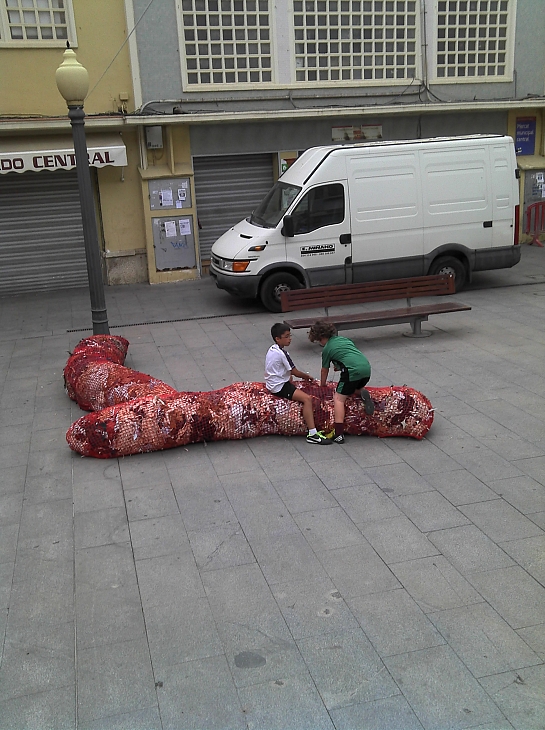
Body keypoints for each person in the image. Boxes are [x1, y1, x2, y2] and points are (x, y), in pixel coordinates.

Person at [308, 320, 374, 444]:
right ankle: (361, 391)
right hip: (366, 369)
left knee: (339, 398)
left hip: (351, 372)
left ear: (321, 337)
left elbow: (324, 370)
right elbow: (348, 355)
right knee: (351, 388)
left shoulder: (327, 349)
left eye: (318, 341)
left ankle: (339, 433)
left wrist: (322, 384)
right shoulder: (344, 340)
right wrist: (339, 366)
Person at [265, 323, 331, 445]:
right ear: (277, 339)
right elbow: (295, 372)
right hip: (279, 387)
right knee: (307, 399)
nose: (289, 339)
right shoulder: (283, 354)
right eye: (286, 336)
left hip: (271, 383)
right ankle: (312, 433)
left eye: (290, 336)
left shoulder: (271, 350)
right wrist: (307, 377)